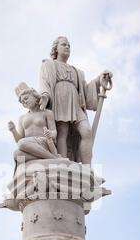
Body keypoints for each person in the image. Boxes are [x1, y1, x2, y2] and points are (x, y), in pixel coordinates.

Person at [39, 36, 101, 165]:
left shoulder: (77, 71)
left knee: (86, 131)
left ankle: (86, 168)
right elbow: (44, 82)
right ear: (56, 49)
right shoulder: (49, 65)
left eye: (68, 45)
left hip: (76, 102)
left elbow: (85, 90)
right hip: (60, 99)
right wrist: (45, 96)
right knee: (62, 132)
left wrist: (99, 80)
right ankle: (63, 163)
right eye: (64, 44)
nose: (67, 47)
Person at [8, 82, 60, 164]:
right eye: (22, 102)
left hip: (44, 143)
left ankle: (53, 158)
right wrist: (13, 130)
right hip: (29, 146)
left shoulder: (47, 113)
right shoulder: (22, 118)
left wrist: (50, 134)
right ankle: (51, 157)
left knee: (22, 143)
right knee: (17, 155)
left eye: (26, 98)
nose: (24, 102)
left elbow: (54, 132)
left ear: (35, 97)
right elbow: (19, 139)